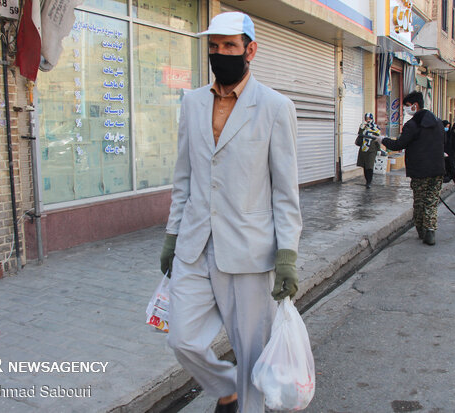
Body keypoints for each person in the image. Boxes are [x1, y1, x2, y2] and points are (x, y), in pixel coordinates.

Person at [159, 12, 303, 413]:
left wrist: (287, 255)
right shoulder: (191, 102)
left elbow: (286, 192)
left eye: (229, 46)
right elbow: (183, 177)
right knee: (181, 339)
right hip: (195, 245)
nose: (219, 53)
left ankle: (248, 406)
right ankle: (227, 386)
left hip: (249, 252)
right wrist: (172, 235)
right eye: (213, 46)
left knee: (252, 352)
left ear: (250, 50)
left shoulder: (275, 107)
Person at [377, 91, 445, 246]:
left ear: (415, 105)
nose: (406, 110)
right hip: (437, 169)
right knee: (432, 201)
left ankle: (422, 231)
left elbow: (399, 145)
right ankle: (430, 230)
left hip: (420, 171)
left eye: (407, 106)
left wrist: (383, 139)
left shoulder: (412, 125)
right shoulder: (438, 123)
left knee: (420, 202)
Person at [355, 113, 381, 188]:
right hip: (363, 148)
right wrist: (362, 127)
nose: (367, 120)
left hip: (372, 149)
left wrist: (378, 149)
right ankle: (367, 180)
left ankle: (369, 182)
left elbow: (378, 139)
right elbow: (359, 135)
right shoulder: (363, 127)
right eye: (366, 118)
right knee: (364, 166)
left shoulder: (376, 127)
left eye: (369, 118)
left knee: (369, 166)